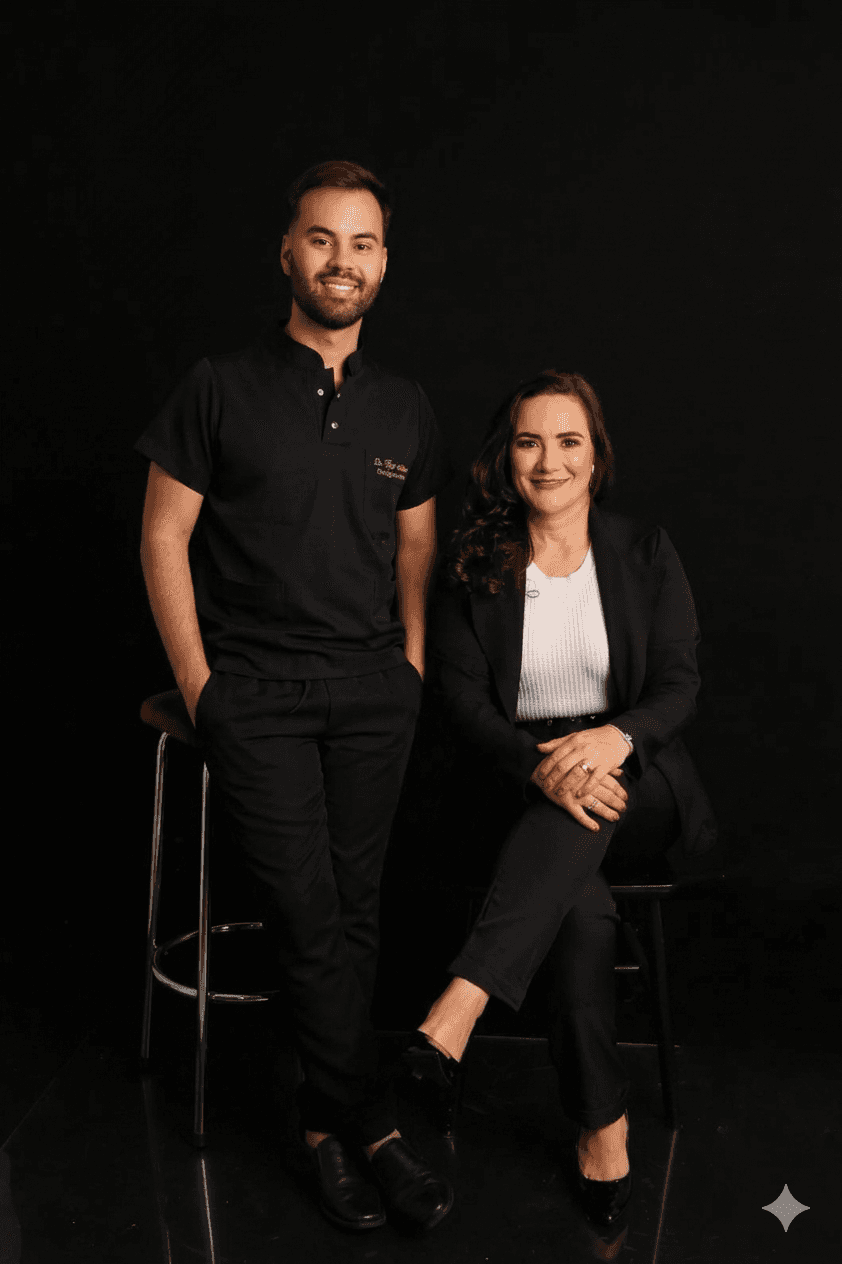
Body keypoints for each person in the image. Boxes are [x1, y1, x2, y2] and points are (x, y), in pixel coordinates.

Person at [136, 160, 455, 1234]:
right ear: (287, 253)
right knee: (308, 912)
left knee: (354, 911)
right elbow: (162, 537)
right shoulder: (218, 386)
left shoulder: (403, 405)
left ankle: (323, 1121)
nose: (340, 261)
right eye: (321, 239)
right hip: (256, 692)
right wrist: (203, 686)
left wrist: (410, 667)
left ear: (383, 264)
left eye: (361, 243)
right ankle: (369, 1127)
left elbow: (416, 548)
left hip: (371, 692)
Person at [405, 369, 718, 1228]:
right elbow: (462, 702)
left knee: (584, 806)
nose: (549, 461)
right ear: (506, 458)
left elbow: (679, 684)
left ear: (596, 455)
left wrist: (615, 740)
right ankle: (602, 1125)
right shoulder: (475, 564)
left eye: (568, 440)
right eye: (529, 441)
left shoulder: (644, 551)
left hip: (635, 775)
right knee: (579, 903)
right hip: (517, 779)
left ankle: (459, 1005)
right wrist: (535, 765)